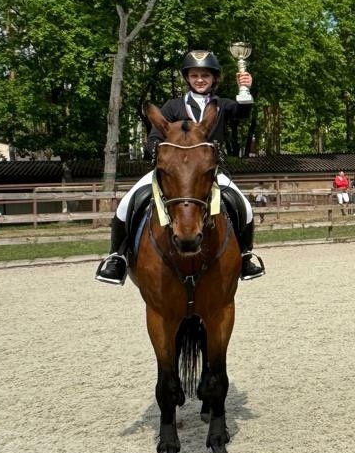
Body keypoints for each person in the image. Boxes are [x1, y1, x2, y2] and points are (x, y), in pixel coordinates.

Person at [94, 49, 265, 285]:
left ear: (214, 78)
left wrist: (245, 88)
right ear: (188, 78)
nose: (200, 80)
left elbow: (242, 112)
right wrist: (158, 153)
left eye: (205, 75)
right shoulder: (173, 106)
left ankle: (245, 255)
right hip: (172, 172)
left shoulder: (221, 105)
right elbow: (155, 137)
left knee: (242, 204)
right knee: (128, 201)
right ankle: (117, 257)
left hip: (208, 173)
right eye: (195, 75)